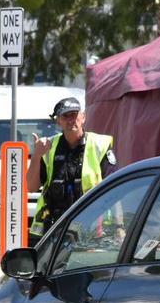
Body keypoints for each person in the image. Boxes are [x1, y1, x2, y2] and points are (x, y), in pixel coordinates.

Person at [27, 97, 116, 240]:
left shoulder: (100, 145)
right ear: (58, 121)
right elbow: (31, 187)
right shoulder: (49, 147)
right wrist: (37, 154)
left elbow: (115, 189)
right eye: (65, 116)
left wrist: (119, 228)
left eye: (74, 114)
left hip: (91, 231)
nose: (70, 120)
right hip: (55, 228)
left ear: (83, 117)